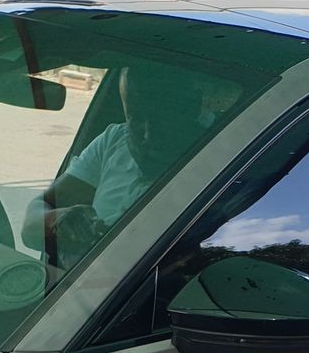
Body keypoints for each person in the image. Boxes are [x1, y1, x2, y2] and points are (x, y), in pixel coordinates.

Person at [29, 67, 213, 263]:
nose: (148, 135)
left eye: (163, 118)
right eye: (136, 118)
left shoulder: (223, 161)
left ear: (194, 104)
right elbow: (34, 221)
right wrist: (57, 220)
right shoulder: (114, 140)